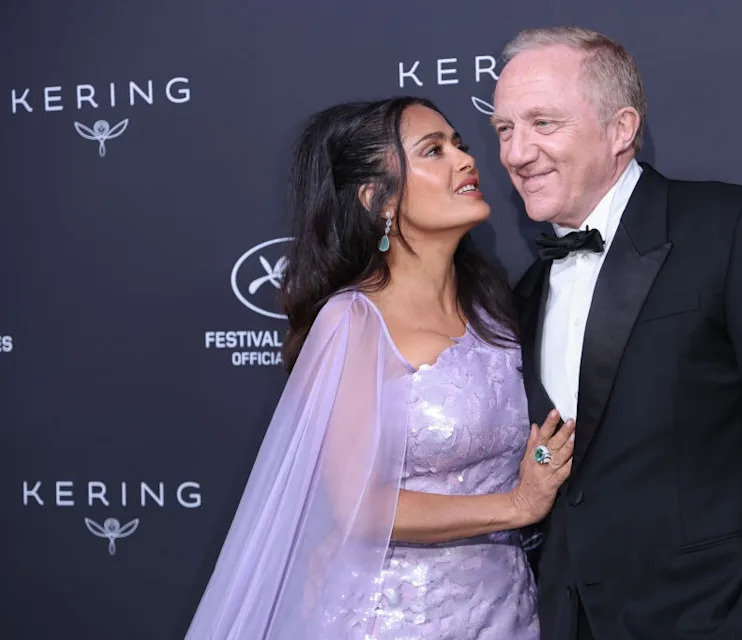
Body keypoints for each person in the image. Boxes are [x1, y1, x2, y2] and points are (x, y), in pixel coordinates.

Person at [492, 27, 742, 640]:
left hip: (721, 616)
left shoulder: (734, 227)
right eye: (505, 130)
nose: (516, 152)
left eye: (543, 123)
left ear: (621, 129)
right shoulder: (528, 289)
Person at [185, 96, 575, 639]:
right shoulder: (354, 321)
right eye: (433, 151)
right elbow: (360, 509)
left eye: (459, 144)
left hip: (509, 608)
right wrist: (516, 506)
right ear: (378, 200)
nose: (465, 160)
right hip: (399, 619)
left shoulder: (499, 312)